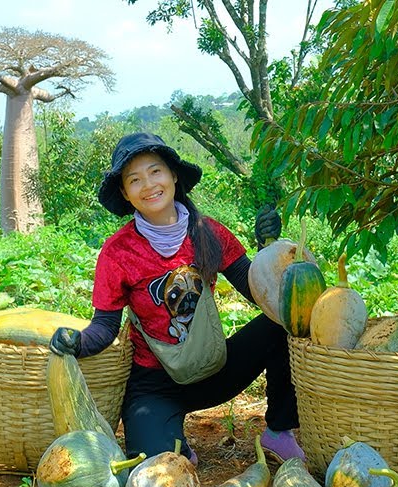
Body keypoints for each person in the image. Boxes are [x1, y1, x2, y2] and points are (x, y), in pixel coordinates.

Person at [48, 132, 307, 466]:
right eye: (135, 179)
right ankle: (175, 444)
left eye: (156, 172)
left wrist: (268, 250)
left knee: (279, 325)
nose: (149, 185)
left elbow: (260, 292)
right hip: (156, 386)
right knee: (157, 463)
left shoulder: (208, 232)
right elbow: (105, 325)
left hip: (215, 366)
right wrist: (77, 342)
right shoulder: (119, 252)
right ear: (126, 194)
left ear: (173, 175)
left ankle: (279, 429)